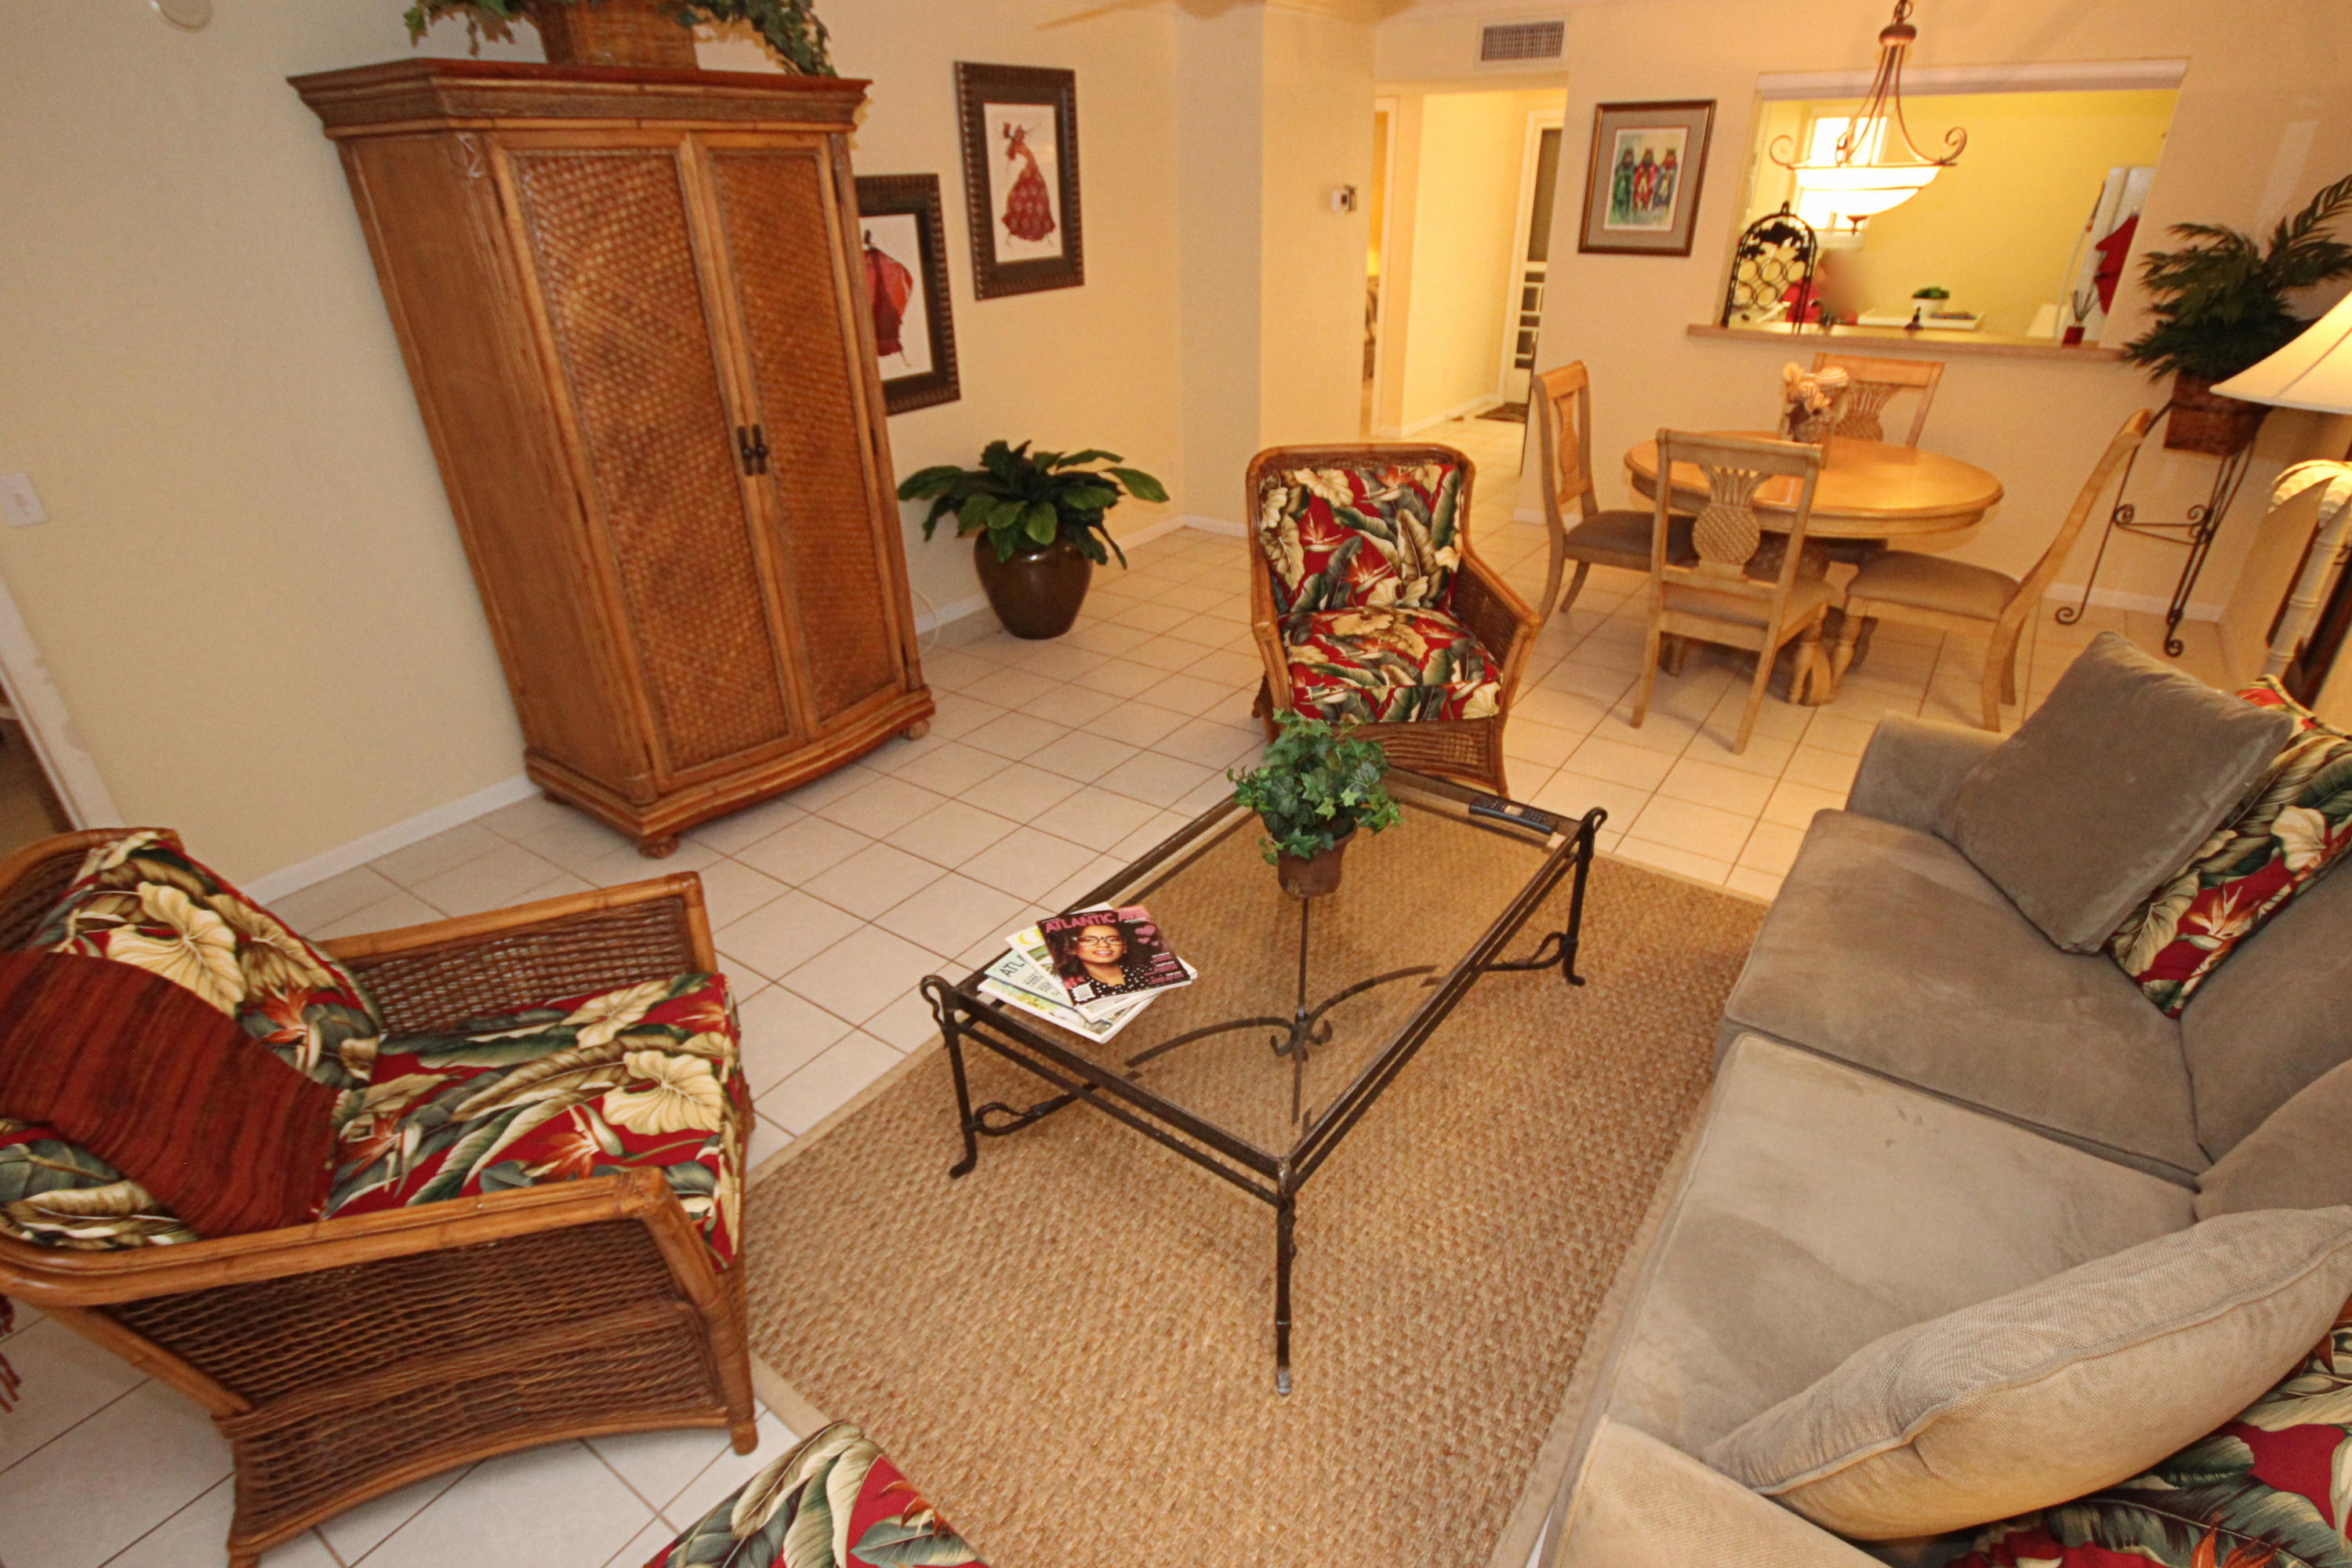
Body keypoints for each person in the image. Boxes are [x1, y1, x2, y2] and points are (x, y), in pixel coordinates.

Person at [1044, 916, 1166, 1006]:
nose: (1104, 945)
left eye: (1113, 940)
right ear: (1073, 949)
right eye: (1089, 940)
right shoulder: (1072, 987)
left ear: (1124, 947)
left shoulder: (1149, 971)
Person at [1000, 122, 1057, 244]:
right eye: (1019, 134)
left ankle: (1046, 236)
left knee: (1040, 203)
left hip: (1035, 177)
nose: (1021, 136)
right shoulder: (1015, 147)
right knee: (1020, 204)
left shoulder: (1021, 146)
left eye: (1022, 134)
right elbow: (1013, 162)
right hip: (1026, 177)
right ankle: (1010, 237)